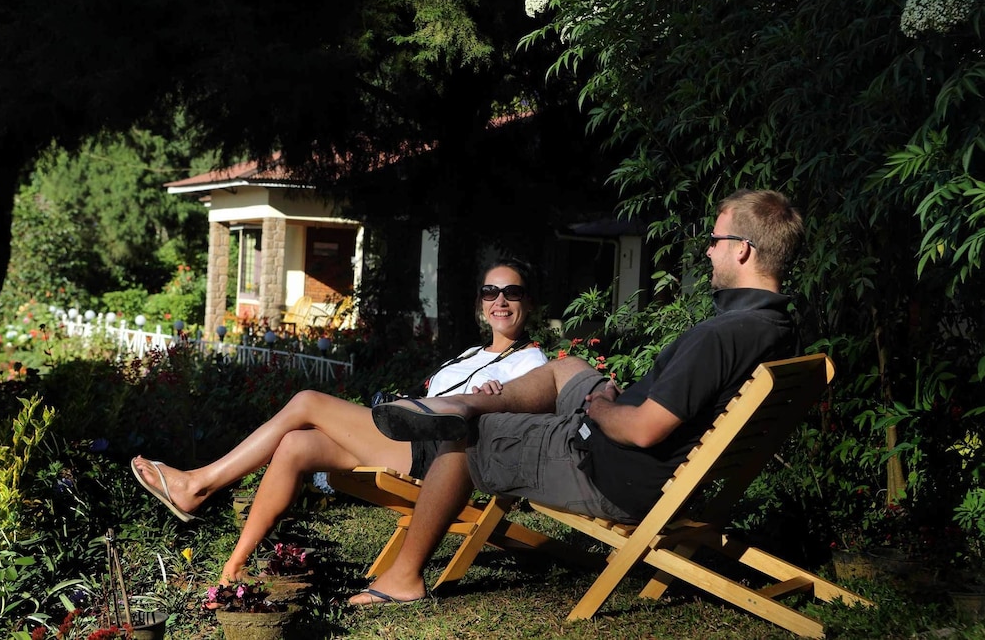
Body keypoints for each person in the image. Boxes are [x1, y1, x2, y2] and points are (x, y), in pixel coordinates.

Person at [359, 188, 804, 606]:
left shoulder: (720, 336)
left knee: (468, 435)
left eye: (715, 240)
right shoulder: (780, 329)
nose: (708, 250)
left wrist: (603, 407)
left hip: (608, 467)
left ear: (742, 249)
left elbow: (645, 430)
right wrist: (613, 401)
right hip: (645, 461)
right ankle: (463, 401)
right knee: (566, 367)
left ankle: (404, 577)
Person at [130, 258, 549, 586]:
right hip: (407, 435)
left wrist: (494, 402)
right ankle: (234, 568)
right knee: (295, 445)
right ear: (481, 302)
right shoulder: (470, 355)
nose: (500, 301)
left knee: (307, 401)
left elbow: (527, 418)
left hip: (441, 458)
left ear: (528, 303)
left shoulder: (532, 362)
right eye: (491, 291)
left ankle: (199, 484)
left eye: (512, 292)